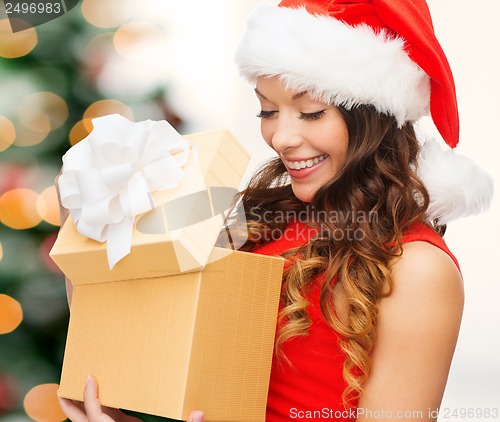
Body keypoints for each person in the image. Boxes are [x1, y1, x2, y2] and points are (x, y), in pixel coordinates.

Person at [58, 0, 494, 421]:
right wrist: (89, 219)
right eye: (267, 110)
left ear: (375, 116)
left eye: (309, 112)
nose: (280, 137)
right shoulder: (257, 220)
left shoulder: (416, 268)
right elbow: (138, 330)